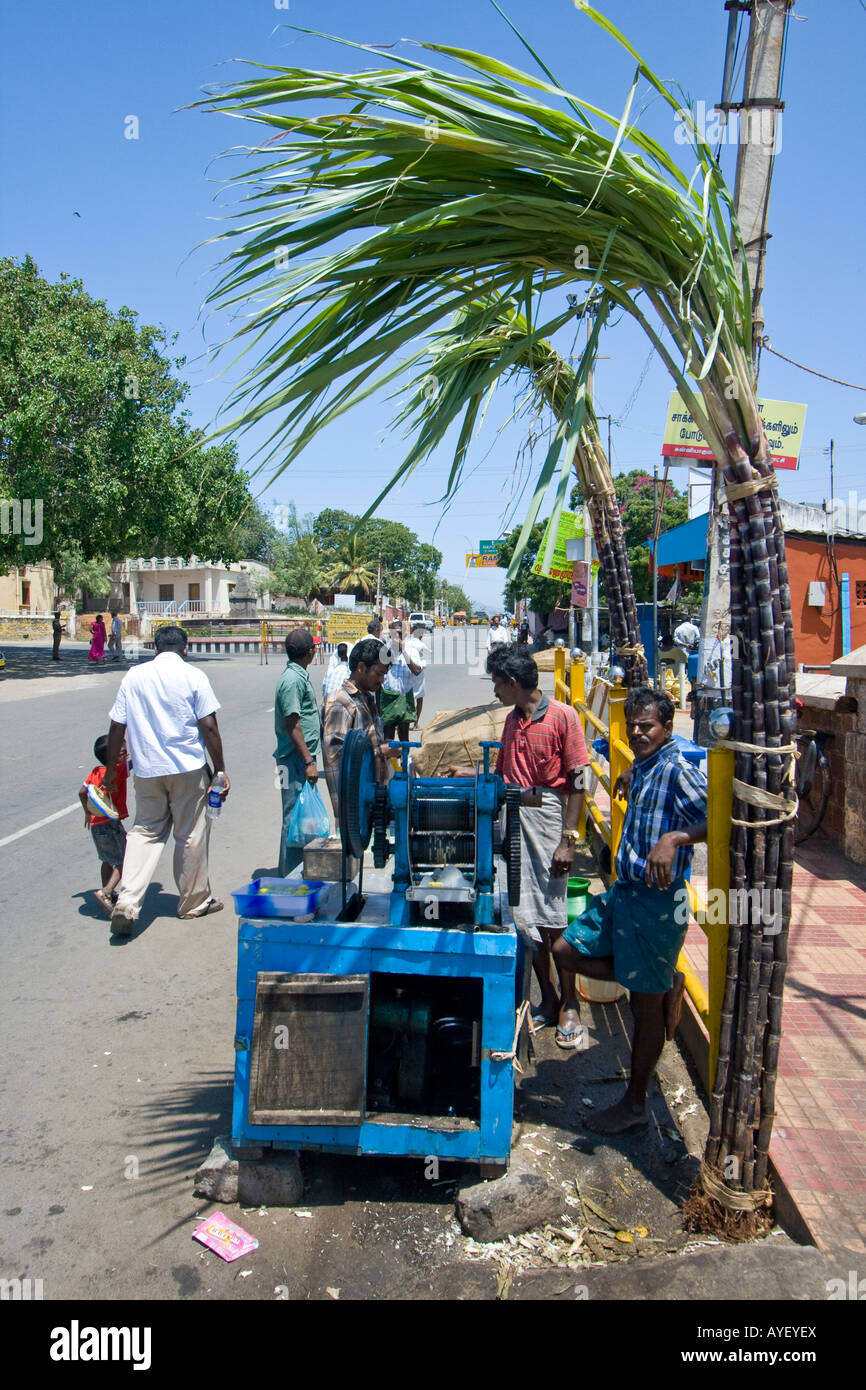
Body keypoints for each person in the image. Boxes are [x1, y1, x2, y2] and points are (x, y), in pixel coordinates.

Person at [553, 686, 707, 1133]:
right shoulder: (646, 762)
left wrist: (676, 838)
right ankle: (661, 986)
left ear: (667, 726)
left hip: (657, 903)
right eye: (633, 726)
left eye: (648, 726)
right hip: (625, 892)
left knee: (644, 1011)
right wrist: (629, 776)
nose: (638, 733)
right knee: (566, 950)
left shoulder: (678, 768)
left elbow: (717, 818)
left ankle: (636, 1101)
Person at [445, 645, 591, 1047]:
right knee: (524, 916)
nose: (494, 691)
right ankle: (547, 998)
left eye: (495, 683)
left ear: (512, 682)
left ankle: (570, 1003)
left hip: (547, 819)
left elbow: (579, 778)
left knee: (553, 915)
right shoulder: (511, 720)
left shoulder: (563, 717)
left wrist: (569, 839)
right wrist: (466, 774)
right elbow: (502, 774)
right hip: (513, 814)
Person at [102, 624, 229, 935]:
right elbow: (209, 726)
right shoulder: (193, 675)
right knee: (190, 835)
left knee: (144, 833)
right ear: (185, 649)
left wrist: (109, 771)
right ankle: (193, 903)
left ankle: (127, 903)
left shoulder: (134, 676)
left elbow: (117, 725)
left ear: (155, 648)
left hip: (147, 769)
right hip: (187, 769)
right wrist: (221, 770)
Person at [323, 636, 391, 823]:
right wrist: (380, 750)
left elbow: (368, 740)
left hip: (370, 803)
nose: (382, 680)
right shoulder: (341, 702)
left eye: (384, 674)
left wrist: (384, 746)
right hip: (353, 810)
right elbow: (336, 754)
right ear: (361, 667)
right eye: (378, 673)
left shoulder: (366, 699)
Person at [274, 627, 322, 876]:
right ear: (310, 652)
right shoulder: (292, 681)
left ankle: (301, 870)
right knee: (293, 819)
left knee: (302, 819)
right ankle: (289, 877)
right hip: (294, 759)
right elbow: (293, 724)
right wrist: (308, 761)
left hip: (300, 758)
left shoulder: (298, 675)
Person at [79, 733, 130, 913]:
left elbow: (82, 792)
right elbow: (137, 763)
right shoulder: (119, 769)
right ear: (113, 757)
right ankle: (106, 892)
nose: (127, 754)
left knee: (107, 860)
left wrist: (87, 812)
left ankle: (108, 892)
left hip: (96, 824)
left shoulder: (95, 771)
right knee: (126, 859)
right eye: (123, 751)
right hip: (111, 824)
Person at [381, 623, 422, 743]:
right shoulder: (385, 651)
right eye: (394, 634)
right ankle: (390, 762)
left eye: (399, 633)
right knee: (388, 737)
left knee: (404, 736)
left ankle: (404, 760)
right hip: (388, 698)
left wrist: (403, 651)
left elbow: (417, 671)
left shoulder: (411, 651)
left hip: (404, 698)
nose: (397, 637)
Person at [404, 621, 430, 728]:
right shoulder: (421, 644)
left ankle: (404, 721)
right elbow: (426, 659)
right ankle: (416, 724)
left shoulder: (407, 643)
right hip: (417, 672)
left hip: (406, 670)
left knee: (407, 696)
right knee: (419, 697)